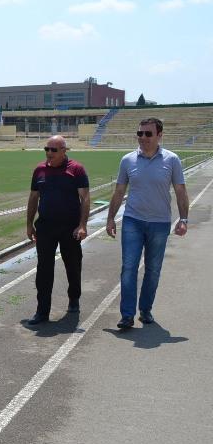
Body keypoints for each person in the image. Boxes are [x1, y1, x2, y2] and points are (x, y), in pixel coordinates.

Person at [106, 117, 189, 330]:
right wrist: (110, 218)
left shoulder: (172, 160)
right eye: (140, 133)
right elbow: (119, 191)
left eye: (148, 134)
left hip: (160, 223)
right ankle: (127, 315)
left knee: (153, 270)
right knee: (129, 268)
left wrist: (183, 219)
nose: (143, 137)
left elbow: (180, 191)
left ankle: (145, 310)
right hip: (132, 221)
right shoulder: (127, 160)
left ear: (159, 135)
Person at [25, 135, 90, 325]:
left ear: (64, 151)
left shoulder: (76, 169)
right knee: (44, 269)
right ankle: (42, 311)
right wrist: (29, 224)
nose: (49, 153)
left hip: (70, 227)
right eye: (46, 149)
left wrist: (82, 225)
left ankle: (74, 298)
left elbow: (85, 198)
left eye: (53, 150)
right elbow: (33, 198)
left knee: (73, 265)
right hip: (46, 227)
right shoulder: (39, 170)